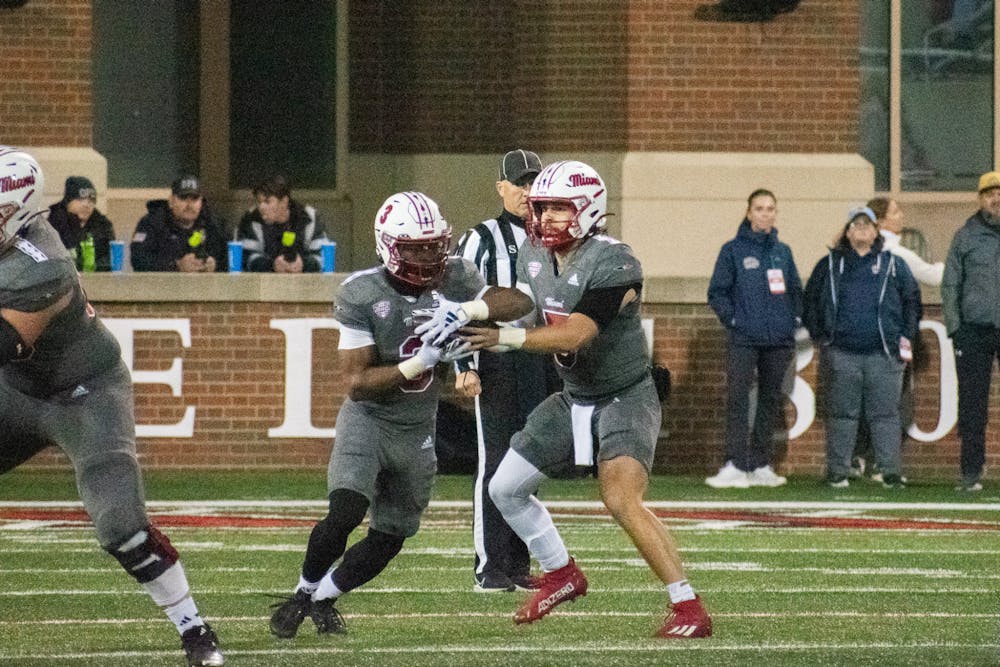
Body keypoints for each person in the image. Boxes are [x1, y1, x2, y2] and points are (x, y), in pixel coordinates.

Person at [451, 161, 712, 638]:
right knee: (504, 487)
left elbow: (576, 334)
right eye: (541, 207)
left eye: (557, 208)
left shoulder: (616, 261)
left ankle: (688, 605)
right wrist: (475, 308)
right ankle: (562, 572)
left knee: (620, 498)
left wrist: (503, 338)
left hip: (626, 397)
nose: (546, 218)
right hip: (575, 396)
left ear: (589, 210)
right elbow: (519, 298)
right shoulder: (536, 251)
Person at [267, 191, 533, 639]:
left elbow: (521, 302)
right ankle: (301, 592)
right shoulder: (361, 292)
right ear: (388, 246)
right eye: (414, 247)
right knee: (346, 511)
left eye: (433, 245)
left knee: (392, 535)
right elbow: (356, 381)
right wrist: (422, 361)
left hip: (417, 428)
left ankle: (324, 598)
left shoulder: (455, 276)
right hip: (369, 419)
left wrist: (470, 308)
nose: (428, 256)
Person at [0, 147, 224, 666]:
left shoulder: (42, 266)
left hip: (83, 395)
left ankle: (193, 626)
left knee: (120, 524)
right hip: (18, 389)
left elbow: (5, 342)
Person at [453, 149, 560, 593]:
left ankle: (516, 563)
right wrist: (463, 363)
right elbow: (453, 304)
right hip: (493, 358)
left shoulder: (551, 237)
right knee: (495, 462)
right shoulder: (480, 237)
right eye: (518, 183)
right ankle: (488, 565)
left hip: (536, 355)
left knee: (527, 464)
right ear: (501, 187)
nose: (525, 192)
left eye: (533, 183)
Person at [803, 205, 921, 490]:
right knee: (843, 415)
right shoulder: (830, 265)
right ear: (847, 231)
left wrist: (905, 336)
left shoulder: (893, 264)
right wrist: (822, 336)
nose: (861, 230)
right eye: (855, 225)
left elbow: (912, 303)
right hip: (842, 352)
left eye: (867, 225)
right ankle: (838, 471)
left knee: (885, 415)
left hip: (884, 354)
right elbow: (810, 303)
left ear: (876, 231)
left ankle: (889, 471)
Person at [705, 188, 802, 489]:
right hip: (744, 339)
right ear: (749, 213)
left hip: (778, 341)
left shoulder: (782, 252)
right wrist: (734, 320)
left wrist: (793, 320)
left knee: (770, 402)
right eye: (759, 208)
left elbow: (796, 291)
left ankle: (760, 463)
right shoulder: (732, 250)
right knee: (737, 400)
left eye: (770, 208)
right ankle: (735, 464)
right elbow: (717, 292)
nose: (765, 213)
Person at [851, 196, 942, 481]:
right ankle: (879, 461)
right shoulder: (895, 252)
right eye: (896, 211)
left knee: (863, 401)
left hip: (864, 340)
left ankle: (859, 458)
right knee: (890, 404)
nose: (902, 216)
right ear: (881, 221)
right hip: (889, 341)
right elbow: (932, 277)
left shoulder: (862, 252)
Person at [941, 171, 1000, 492]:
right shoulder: (965, 236)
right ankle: (971, 471)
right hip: (974, 331)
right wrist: (955, 328)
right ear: (980, 199)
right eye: (990, 193)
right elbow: (951, 284)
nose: (996, 198)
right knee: (973, 404)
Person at [130, 175, 228, 272]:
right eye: (183, 198)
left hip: (205, 286)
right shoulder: (152, 222)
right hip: (163, 286)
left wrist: (216, 264)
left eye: (195, 198)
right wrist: (176, 265)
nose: (189, 205)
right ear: (171, 201)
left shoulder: (213, 223)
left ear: (201, 202)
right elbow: (138, 260)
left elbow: (232, 258)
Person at [235, 174, 329, 273]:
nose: (261, 207)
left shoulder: (308, 217)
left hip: (305, 282)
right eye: (259, 202)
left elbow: (323, 256)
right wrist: (272, 266)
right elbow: (246, 257)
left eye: (267, 202)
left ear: (284, 201)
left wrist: (304, 264)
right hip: (264, 283)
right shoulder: (251, 218)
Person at [47, 176, 116, 272]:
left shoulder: (102, 225)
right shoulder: (54, 224)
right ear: (68, 202)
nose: (87, 205)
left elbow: (108, 260)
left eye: (91, 200)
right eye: (80, 200)